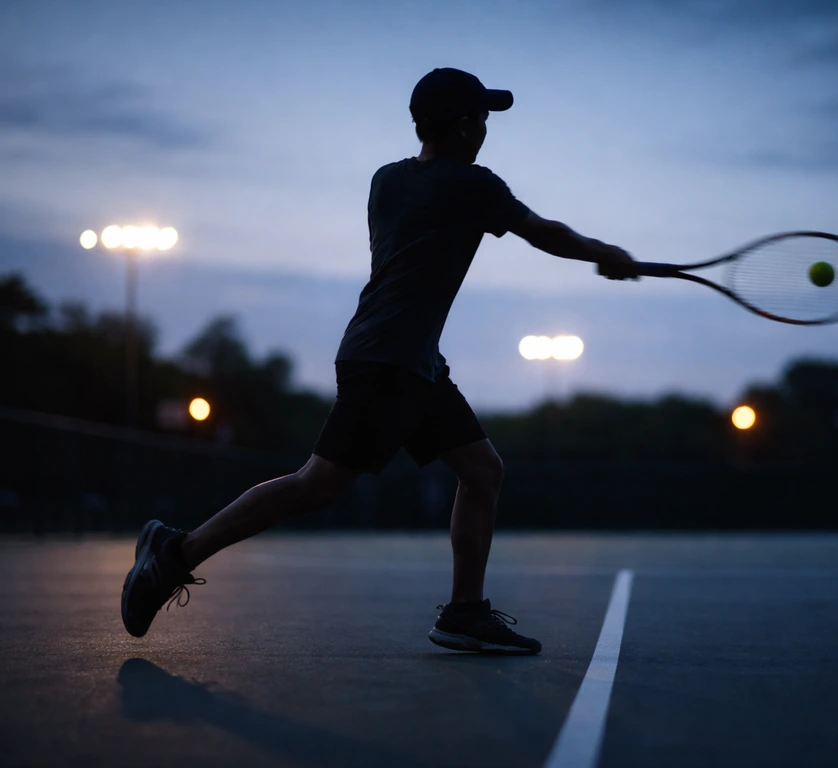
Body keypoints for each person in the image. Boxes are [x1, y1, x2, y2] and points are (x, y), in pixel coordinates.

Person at [121, 67, 638, 654]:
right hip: (390, 361)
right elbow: (539, 231)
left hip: (409, 361)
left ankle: (465, 612)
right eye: (483, 117)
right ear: (466, 125)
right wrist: (604, 254)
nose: (488, 127)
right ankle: (174, 552)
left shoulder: (386, 181)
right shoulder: (473, 187)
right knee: (316, 485)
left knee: (482, 470)